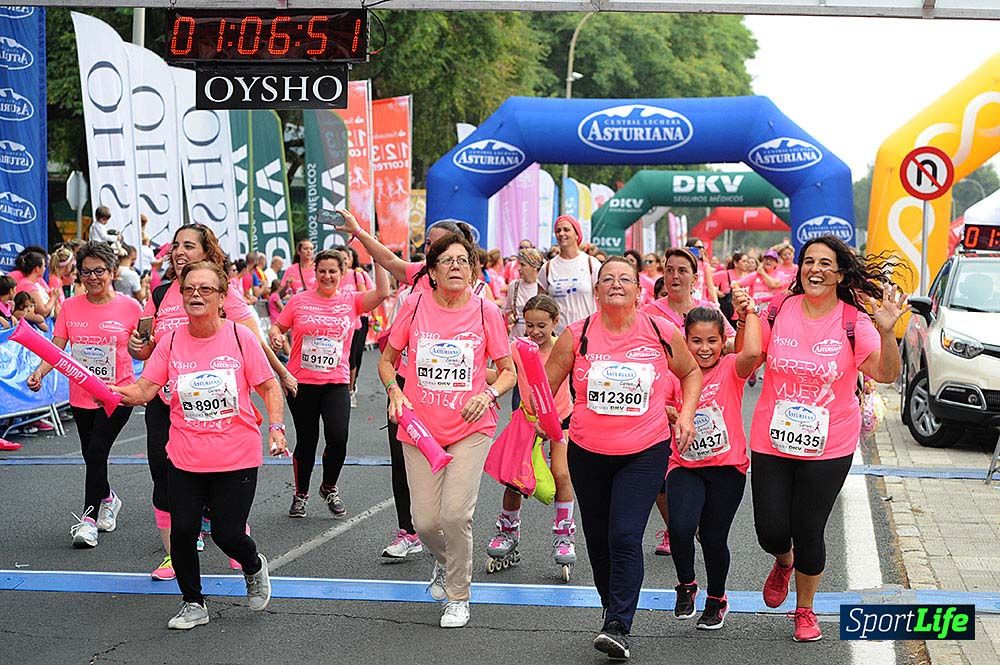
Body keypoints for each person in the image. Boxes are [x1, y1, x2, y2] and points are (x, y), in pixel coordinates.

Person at [113, 261, 287, 630]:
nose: (195, 295)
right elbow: (146, 388)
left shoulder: (241, 337)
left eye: (205, 289)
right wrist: (115, 393)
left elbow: (269, 387)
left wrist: (276, 428)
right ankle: (193, 602)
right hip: (185, 456)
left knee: (227, 533)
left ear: (222, 297)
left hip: (235, 456)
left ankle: (254, 566)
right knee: (182, 532)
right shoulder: (173, 339)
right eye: (189, 289)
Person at [750, 236, 907, 642]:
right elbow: (747, 356)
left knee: (808, 527)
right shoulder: (778, 309)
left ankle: (804, 610)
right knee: (770, 530)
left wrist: (888, 332)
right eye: (808, 262)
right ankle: (783, 562)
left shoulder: (853, 322)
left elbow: (886, 374)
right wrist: (744, 321)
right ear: (799, 269)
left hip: (830, 442)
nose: (814, 269)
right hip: (772, 437)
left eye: (825, 263)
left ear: (839, 274)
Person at [544, 256, 701, 661]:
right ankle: (611, 609)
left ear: (639, 290)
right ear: (595, 291)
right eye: (607, 279)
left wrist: (684, 414)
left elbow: (690, 372)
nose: (616, 284)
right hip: (587, 452)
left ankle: (619, 624)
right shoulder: (575, 336)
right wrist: (544, 421)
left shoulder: (659, 330)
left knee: (625, 535)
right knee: (597, 541)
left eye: (625, 279)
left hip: (644, 451)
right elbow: (547, 388)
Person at [128, 223, 296, 581]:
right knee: (164, 477)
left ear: (207, 253)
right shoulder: (158, 294)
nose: (179, 251)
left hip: (221, 406)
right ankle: (176, 556)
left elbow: (253, 340)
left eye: (189, 245)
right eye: (175, 245)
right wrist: (136, 348)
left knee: (223, 492)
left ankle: (234, 535)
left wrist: (280, 373)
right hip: (166, 401)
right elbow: (145, 343)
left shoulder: (224, 292)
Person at [379, 232, 516, 629]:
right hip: (420, 426)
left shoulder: (485, 311)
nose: (456, 267)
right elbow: (387, 362)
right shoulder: (415, 304)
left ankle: (458, 596)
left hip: (471, 426)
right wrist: (395, 393)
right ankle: (445, 561)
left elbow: (508, 371)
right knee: (423, 521)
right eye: (447, 261)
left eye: (463, 261)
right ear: (433, 272)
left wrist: (489, 394)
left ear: (473, 270)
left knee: (455, 514)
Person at [324, 211, 479, 560]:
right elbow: (387, 259)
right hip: (407, 382)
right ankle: (408, 530)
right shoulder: (419, 275)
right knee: (402, 458)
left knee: (451, 462)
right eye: (427, 244)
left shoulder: (470, 288)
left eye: (435, 244)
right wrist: (359, 232)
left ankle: (444, 526)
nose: (428, 249)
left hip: (454, 391)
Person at [27, 242, 141, 548]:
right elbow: (56, 347)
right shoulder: (71, 307)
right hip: (80, 395)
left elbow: (146, 347)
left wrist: (142, 352)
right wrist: (40, 373)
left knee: (96, 452)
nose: (92, 277)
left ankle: (88, 520)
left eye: (99, 271)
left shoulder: (131, 308)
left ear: (113, 272)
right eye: (86, 271)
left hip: (117, 393)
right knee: (90, 453)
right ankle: (108, 498)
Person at [667, 291, 761, 631]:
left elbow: (752, 351)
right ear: (684, 341)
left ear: (724, 341)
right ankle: (687, 585)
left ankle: (717, 598)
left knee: (712, 536)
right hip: (684, 465)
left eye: (711, 341)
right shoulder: (674, 372)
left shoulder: (729, 368)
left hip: (726, 468)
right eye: (695, 341)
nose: (704, 348)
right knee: (679, 528)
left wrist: (750, 312)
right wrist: (671, 412)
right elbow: (659, 403)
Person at [270, 250, 388, 518]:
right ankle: (300, 494)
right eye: (322, 270)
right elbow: (278, 327)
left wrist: (378, 256)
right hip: (301, 383)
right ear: (315, 272)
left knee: (338, 437)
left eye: (332, 271)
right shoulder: (299, 301)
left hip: (335, 382)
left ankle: (328, 487)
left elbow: (382, 292)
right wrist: (276, 336)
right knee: (307, 440)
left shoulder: (352, 301)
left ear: (342, 273)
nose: (327, 276)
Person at [485, 294, 575, 573]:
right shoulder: (518, 348)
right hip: (527, 419)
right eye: (530, 325)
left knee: (561, 473)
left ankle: (564, 536)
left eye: (542, 325)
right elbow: (502, 374)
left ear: (555, 323)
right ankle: (508, 531)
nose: (535, 332)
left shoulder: (565, 348)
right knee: (514, 478)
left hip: (561, 420)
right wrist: (473, 373)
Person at [642, 249, 735, 352]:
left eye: (682, 271)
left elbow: (732, 340)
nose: (675, 276)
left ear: (694, 279)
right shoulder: (648, 312)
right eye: (669, 270)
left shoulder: (708, 309)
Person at [538, 215, 602, 334]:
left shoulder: (592, 264)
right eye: (558, 231)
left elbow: (603, 299)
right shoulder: (547, 267)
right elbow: (541, 305)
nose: (562, 234)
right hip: (558, 336)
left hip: (586, 334)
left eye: (566, 230)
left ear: (577, 234)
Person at [337, 245, 375, 408]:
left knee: (355, 356)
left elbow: (366, 295)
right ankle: (344, 389)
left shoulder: (358, 274)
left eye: (345, 258)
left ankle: (351, 388)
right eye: (339, 258)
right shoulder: (334, 276)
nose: (343, 261)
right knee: (343, 356)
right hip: (338, 320)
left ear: (351, 260)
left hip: (359, 319)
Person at [504, 248, 543, 340]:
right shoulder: (514, 285)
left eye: (523, 265)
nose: (519, 268)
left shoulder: (541, 286)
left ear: (534, 266)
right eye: (519, 264)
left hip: (535, 339)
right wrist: (510, 316)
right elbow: (508, 309)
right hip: (515, 338)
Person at [14, 249, 58, 319]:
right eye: (44, 266)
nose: (45, 269)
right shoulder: (28, 286)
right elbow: (43, 312)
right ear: (37, 269)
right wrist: (53, 298)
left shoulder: (35, 284)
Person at [685, 238, 717, 303]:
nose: (701, 250)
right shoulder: (683, 264)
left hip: (701, 302)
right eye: (698, 247)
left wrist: (716, 303)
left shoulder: (705, 265)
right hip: (685, 301)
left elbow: (710, 287)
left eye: (703, 247)